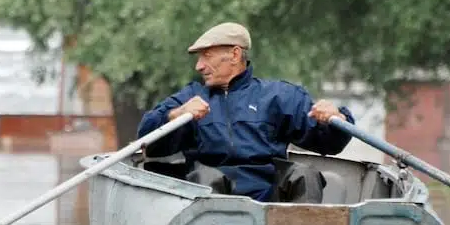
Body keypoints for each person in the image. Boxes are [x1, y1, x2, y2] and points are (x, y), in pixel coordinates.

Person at [136, 22, 355, 203]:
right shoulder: (191, 97)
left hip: (269, 198)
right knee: (206, 176)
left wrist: (336, 118)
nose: (199, 67)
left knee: (305, 175)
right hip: (211, 200)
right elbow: (148, 142)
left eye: (207, 56)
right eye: (199, 59)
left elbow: (331, 144)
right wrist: (178, 115)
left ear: (234, 54)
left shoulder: (279, 96)